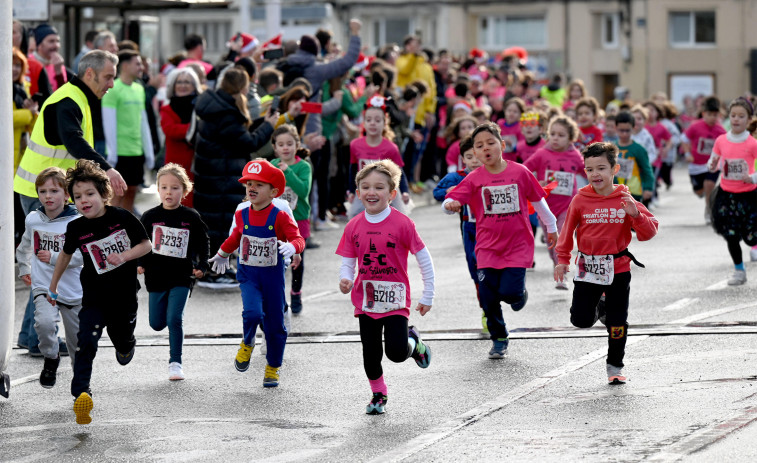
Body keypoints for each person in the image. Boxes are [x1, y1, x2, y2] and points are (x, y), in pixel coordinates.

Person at [47, 160, 151, 425]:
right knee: (86, 342)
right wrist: (53, 285)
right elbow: (65, 255)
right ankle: (81, 393)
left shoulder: (123, 218)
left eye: (90, 194)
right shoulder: (76, 228)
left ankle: (126, 346)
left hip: (124, 295)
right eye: (78, 196)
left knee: (121, 338)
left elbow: (146, 245)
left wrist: (125, 256)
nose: (84, 200)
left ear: (105, 194)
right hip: (93, 297)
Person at [443, 122, 559, 358]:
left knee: (509, 293)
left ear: (502, 145)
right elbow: (449, 202)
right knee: (487, 294)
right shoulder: (475, 178)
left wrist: (552, 227)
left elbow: (538, 201)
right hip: (487, 247)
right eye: (479, 146)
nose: (485, 148)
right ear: (474, 153)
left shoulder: (519, 172)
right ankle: (499, 337)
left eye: (490, 143)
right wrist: (450, 205)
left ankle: (519, 295)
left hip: (517, 245)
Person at [555, 142, 658, 384]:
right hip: (588, 269)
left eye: (601, 168)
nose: (595, 174)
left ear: (615, 169)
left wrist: (636, 215)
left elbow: (649, 232)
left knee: (617, 321)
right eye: (589, 170)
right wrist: (562, 259)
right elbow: (566, 230)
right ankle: (599, 307)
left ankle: (615, 367)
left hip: (618, 269)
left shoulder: (624, 198)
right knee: (579, 320)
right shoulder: (580, 200)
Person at [336, 160, 434, 415]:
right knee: (370, 354)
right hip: (365, 302)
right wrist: (345, 279)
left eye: (379, 187)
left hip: (395, 302)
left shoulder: (403, 224)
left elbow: (424, 258)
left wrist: (428, 293)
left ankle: (415, 343)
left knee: (397, 353)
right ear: (358, 194)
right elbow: (347, 262)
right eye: (365, 187)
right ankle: (378, 393)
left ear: (391, 194)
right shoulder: (353, 226)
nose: (371, 192)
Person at [207, 160, 305, 387]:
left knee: (275, 325)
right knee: (252, 313)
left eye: (259, 185)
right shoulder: (242, 214)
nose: (251, 188)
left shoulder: (280, 215)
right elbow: (235, 238)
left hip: (272, 277)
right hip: (249, 275)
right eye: (248, 183)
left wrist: (293, 247)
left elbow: (297, 238)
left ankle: (273, 367)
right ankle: (248, 342)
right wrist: (222, 254)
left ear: (274, 192)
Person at [192, 67, 278, 288]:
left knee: (214, 224)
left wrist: (261, 124)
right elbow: (248, 143)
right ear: (240, 87)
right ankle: (214, 272)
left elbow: (240, 136)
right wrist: (269, 125)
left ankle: (215, 267)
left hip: (213, 174)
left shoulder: (214, 106)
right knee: (220, 225)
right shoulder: (226, 113)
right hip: (221, 177)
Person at [14, 49, 127, 214]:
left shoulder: (78, 97)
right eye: (108, 77)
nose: (111, 84)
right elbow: (74, 141)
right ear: (89, 73)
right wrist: (107, 169)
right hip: (42, 193)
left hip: (52, 191)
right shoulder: (67, 101)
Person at [138, 164, 209, 380]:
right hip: (156, 276)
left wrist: (202, 265)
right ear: (158, 190)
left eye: (175, 188)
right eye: (164, 187)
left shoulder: (191, 216)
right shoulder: (149, 217)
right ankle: (172, 355)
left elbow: (203, 242)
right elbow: (141, 242)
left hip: (181, 276)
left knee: (174, 319)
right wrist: (140, 262)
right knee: (157, 323)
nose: (169, 192)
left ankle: (175, 363)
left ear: (184, 190)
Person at [16, 167, 83, 388]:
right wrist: (24, 268)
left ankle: (80, 382)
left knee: (77, 342)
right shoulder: (34, 219)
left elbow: (83, 257)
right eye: (42, 191)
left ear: (66, 194)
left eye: (54, 191)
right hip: (43, 285)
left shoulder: (78, 222)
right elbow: (24, 245)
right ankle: (51, 358)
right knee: (44, 326)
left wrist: (54, 257)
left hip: (72, 289)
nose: (47, 196)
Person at [524, 116, 586, 289]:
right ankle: (556, 264)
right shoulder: (542, 153)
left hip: (568, 205)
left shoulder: (574, 155)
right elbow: (525, 170)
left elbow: (587, 170)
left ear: (571, 138)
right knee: (553, 241)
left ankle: (562, 272)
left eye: (561, 135)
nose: (556, 138)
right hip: (545, 206)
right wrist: (538, 183)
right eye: (553, 134)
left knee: (562, 237)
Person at [433, 136, 487, 330]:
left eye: (477, 155)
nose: (474, 160)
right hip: (469, 229)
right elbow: (437, 192)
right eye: (469, 156)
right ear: (463, 159)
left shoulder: (493, 174)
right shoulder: (458, 176)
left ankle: (505, 295)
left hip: (494, 228)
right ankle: (486, 310)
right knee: (476, 270)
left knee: (492, 268)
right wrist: (451, 191)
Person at [707, 97, 757, 286]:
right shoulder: (721, 140)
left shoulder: (752, 143)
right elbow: (714, 163)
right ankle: (739, 270)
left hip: (749, 196)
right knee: (731, 234)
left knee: (751, 235)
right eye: (733, 115)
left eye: (741, 116)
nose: (736, 119)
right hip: (726, 195)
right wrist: (711, 165)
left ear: (749, 119)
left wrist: (752, 178)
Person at [102, 49, 155, 213]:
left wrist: (149, 151)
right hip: (120, 153)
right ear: (124, 65)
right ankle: (109, 231)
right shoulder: (113, 89)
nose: (141, 67)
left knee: (132, 192)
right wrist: (112, 154)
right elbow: (108, 122)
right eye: (137, 63)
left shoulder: (139, 88)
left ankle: (126, 231)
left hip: (136, 151)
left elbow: (143, 121)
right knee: (116, 194)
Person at [270, 126, 313, 314]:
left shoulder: (304, 166)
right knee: (276, 259)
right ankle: (277, 296)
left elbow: (304, 190)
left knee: (297, 259)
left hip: (299, 219)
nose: (285, 148)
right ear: (275, 147)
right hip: (276, 220)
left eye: (289, 144)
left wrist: (288, 172)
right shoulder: (272, 164)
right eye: (281, 144)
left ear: (297, 145)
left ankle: (296, 292)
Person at [347, 97, 411, 218]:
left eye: (377, 120)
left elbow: (400, 172)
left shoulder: (391, 148)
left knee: (395, 220)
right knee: (355, 217)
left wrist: (405, 191)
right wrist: (350, 191)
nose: (372, 123)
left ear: (384, 123)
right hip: (365, 191)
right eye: (369, 119)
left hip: (386, 192)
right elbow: (353, 169)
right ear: (364, 122)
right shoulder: (355, 145)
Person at [160, 68, 202, 207]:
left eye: (187, 82)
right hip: (175, 163)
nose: (183, 85)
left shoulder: (201, 106)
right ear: (173, 85)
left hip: (197, 161)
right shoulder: (166, 108)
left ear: (194, 85)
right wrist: (193, 128)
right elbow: (170, 130)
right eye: (179, 82)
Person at [681, 96, 726, 224]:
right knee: (699, 190)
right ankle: (703, 194)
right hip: (696, 165)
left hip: (713, 164)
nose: (713, 117)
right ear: (703, 114)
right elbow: (684, 139)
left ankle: (709, 210)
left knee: (709, 184)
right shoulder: (695, 126)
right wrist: (687, 153)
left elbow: (726, 145)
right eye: (710, 114)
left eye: (715, 115)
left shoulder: (720, 130)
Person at [613, 111, 654, 205]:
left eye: (627, 130)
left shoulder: (639, 149)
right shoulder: (610, 148)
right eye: (621, 130)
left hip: (634, 191)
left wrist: (648, 188)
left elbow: (647, 169)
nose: (624, 134)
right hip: (615, 191)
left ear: (633, 128)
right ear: (615, 128)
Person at [29, 24, 73, 92]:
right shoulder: (29, 62)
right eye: (51, 41)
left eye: (58, 41)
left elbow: (64, 94)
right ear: (39, 45)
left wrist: (59, 73)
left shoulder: (58, 65)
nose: (56, 45)